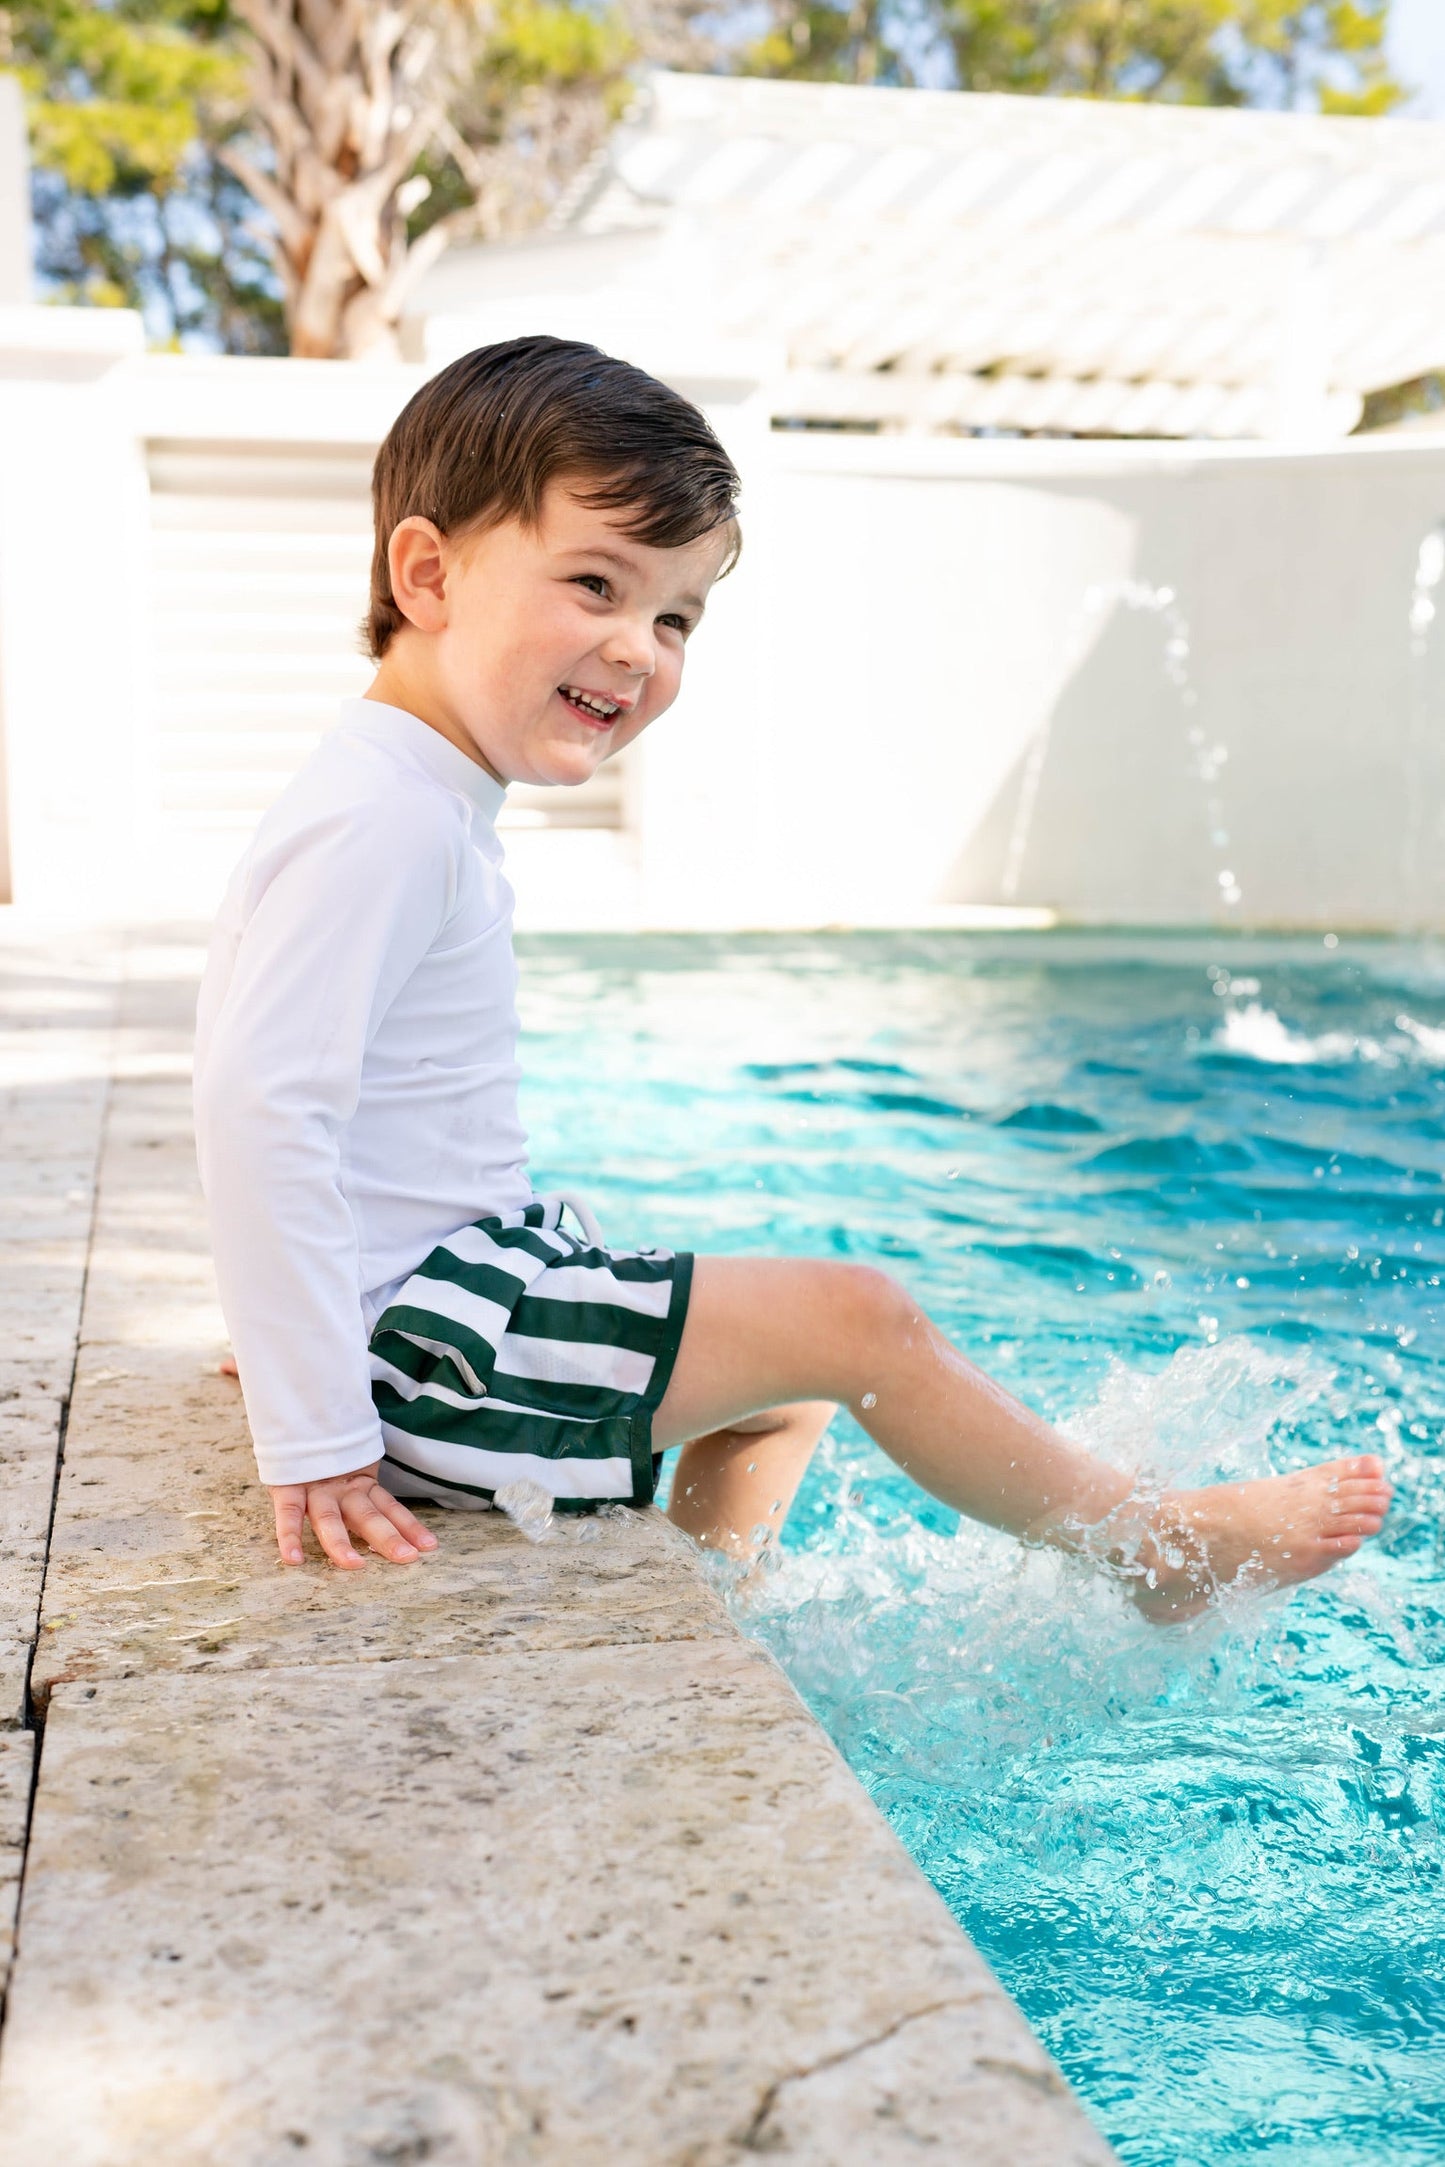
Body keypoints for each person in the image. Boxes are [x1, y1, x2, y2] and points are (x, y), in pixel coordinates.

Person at [195, 335, 1391, 1624]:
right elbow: (262, 1107)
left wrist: (301, 1333)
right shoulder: (388, 820)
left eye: (673, 615)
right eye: (593, 583)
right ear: (427, 574)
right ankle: (1148, 1547)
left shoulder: (406, 793)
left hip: (431, 1308)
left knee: (788, 1374)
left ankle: (704, 1617)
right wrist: (315, 1417)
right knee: (857, 1316)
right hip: (428, 1353)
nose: (636, 647)